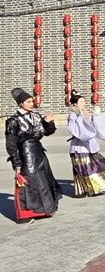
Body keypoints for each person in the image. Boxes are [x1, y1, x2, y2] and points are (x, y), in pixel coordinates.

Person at [5, 87, 61, 223]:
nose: (32, 104)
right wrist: (16, 163)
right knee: (28, 182)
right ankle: (25, 215)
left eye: (32, 101)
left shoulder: (36, 116)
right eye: (28, 102)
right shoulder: (13, 121)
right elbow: (11, 144)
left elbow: (47, 132)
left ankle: (42, 210)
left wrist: (49, 122)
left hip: (38, 151)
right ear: (21, 103)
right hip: (25, 153)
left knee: (43, 179)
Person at [67, 91, 105, 195]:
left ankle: (103, 184)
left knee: (99, 165)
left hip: (90, 144)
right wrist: (80, 117)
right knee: (86, 169)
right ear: (75, 104)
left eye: (84, 102)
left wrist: (97, 115)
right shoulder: (73, 115)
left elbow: (94, 126)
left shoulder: (85, 113)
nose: (84, 104)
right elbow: (74, 129)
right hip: (79, 146)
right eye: (81, 102)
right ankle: (90, 188)